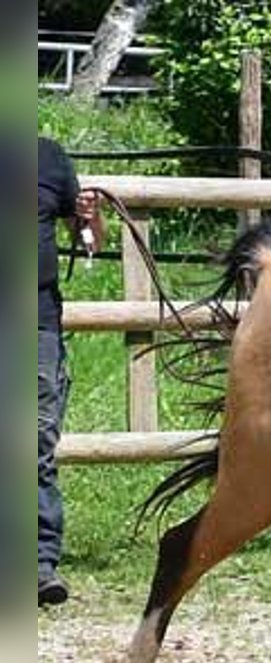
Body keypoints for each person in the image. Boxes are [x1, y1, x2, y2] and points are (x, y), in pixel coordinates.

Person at [38, 136, 104, 606]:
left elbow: (89, 242)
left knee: (37, 440)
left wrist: (88, 217)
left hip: (37, 322)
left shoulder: (49, 158)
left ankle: (41, 565)